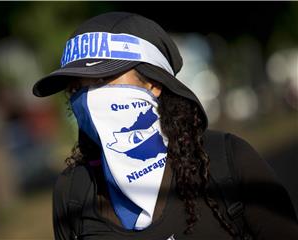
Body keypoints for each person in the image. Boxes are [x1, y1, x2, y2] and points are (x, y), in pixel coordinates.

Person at [32, 12, 298, 240]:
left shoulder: (225, 161)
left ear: (153, 83)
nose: (88, 98)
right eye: (77, 88)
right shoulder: (73, 190)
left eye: (102, 79)